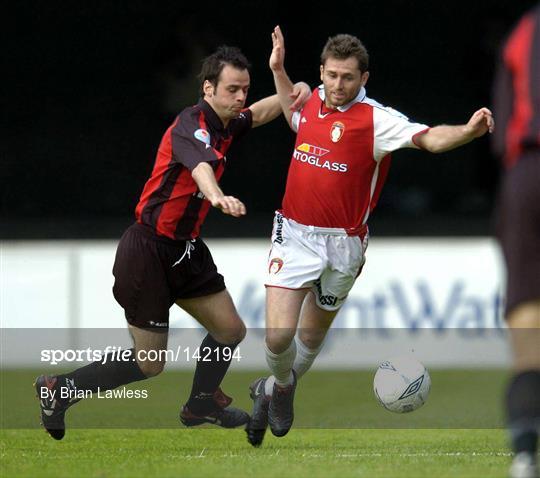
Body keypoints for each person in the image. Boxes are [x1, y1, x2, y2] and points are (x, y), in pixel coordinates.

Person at [35, 45, 310, 440]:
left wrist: (295, 89)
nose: (240, 98)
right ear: (207, 88)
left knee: (230, 330)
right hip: (147, 251)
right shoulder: (190, 124)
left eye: (244, 89)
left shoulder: (227, 122)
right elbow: (200, 167)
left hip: (186, 248)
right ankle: (60, 390)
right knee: (150, 364)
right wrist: (215, 196)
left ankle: (199, 404)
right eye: (232, 89)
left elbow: (266, 111)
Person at [245, 26, 495, 447]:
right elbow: (293, 114)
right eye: (331, 75)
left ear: (364, 78)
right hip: (294, 234)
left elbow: (429, 138)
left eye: (347, 77)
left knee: (309, 339)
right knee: (277, 337)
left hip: (344, 245)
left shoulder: (377, 120)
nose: (337, 85)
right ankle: (282, 388)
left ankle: (273, 389)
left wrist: (468, 132)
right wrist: (278, 70)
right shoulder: (312, 106)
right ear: (321, 72)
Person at [492, 4, 540, 478]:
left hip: (526, 177)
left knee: (529, 327)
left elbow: (502, 135)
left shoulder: (521, 32)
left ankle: (526, 453)